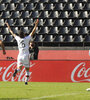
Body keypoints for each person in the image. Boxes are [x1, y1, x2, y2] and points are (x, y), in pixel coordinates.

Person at [5, 19, 39, 85]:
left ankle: (16, 71)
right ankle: (26, 81)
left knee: (19, 69)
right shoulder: (27, 38)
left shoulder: (18, 39)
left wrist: (8, 26)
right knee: (27, 69)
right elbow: (33, 31)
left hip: (19, 56)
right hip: (26, 55)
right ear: (23, 35)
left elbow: (11, 32)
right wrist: (36, 25)